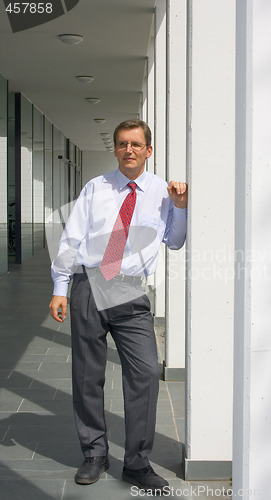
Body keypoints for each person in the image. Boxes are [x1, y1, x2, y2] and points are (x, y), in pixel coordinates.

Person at [49, 119, 187, 492]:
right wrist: (60, 287)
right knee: (87, 375)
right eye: (123, 144)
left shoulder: (163, 191)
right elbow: (72, 238)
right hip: (89, 285)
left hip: (130, 291)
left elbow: (174, 241)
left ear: (148, 150)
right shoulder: (96, 187)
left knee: (143, 374)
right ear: (115, 149)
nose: (129, 150)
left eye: (136, 144)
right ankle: (94, 454)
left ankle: (137, 463)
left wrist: (181, 206)